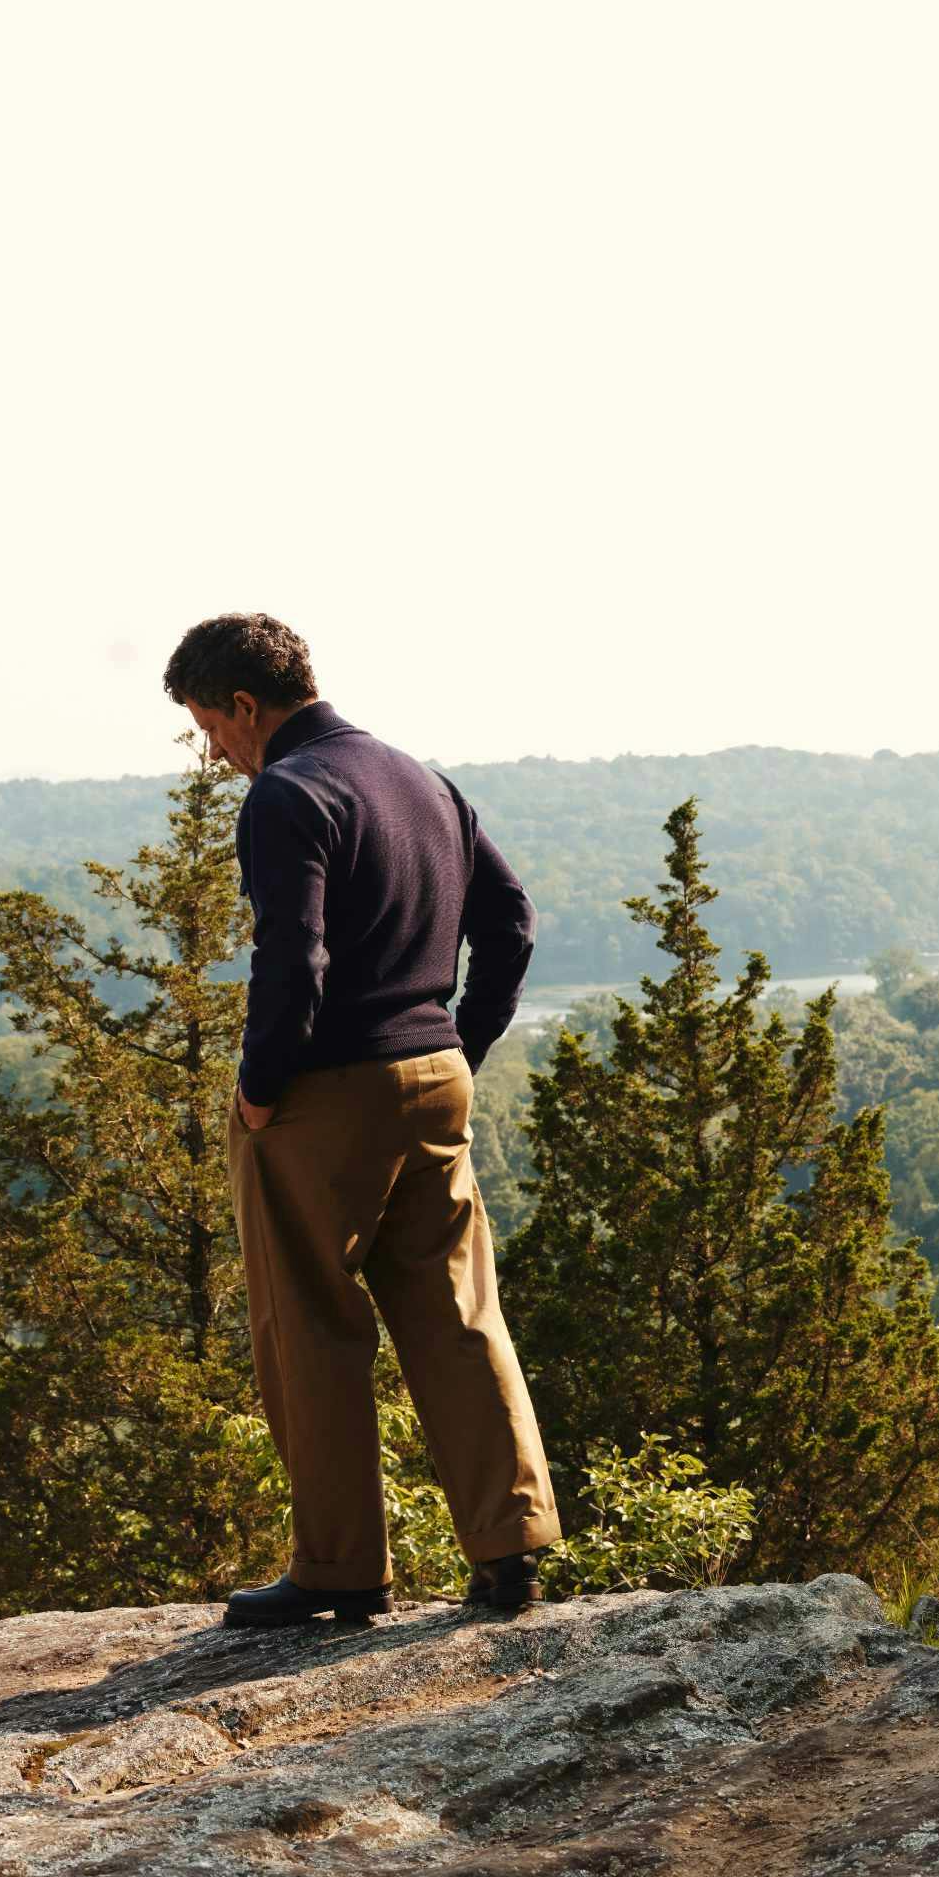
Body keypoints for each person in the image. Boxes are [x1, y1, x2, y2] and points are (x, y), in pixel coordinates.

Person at [162, 612, 562, 1625]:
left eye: (212, 726)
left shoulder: (288, 796)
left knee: (309, 1323)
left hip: (326, 1094)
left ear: (246, 705)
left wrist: (259, 1087)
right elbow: (510, 921)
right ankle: (511, 1551)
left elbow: (294, 963)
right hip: (433, 1075)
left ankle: (341, 1570)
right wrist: (460, 1042)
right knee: (457, 1312)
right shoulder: (422, 780)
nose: (215, 751)